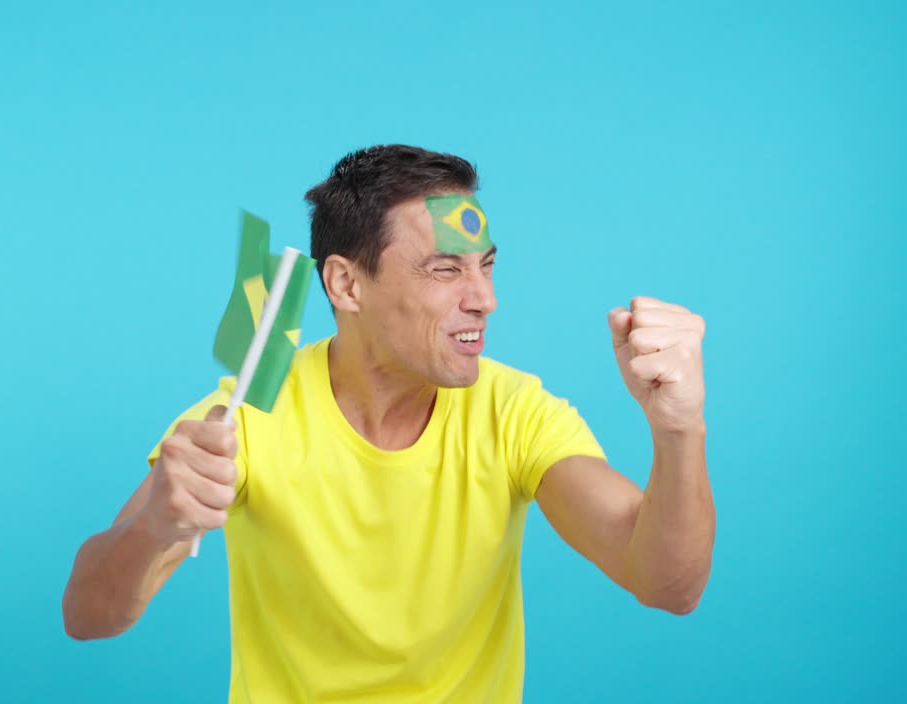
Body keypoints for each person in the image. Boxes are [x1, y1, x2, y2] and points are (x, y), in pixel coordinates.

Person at [61, 144, 715, 702]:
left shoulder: (515, 410)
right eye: (445, 269)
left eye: (486, 266)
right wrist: (155, 528)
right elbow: (86, 615)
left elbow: (665, 584)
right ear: (346, 286)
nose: (485, 299)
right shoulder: (242, 419)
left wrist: (679, 430)